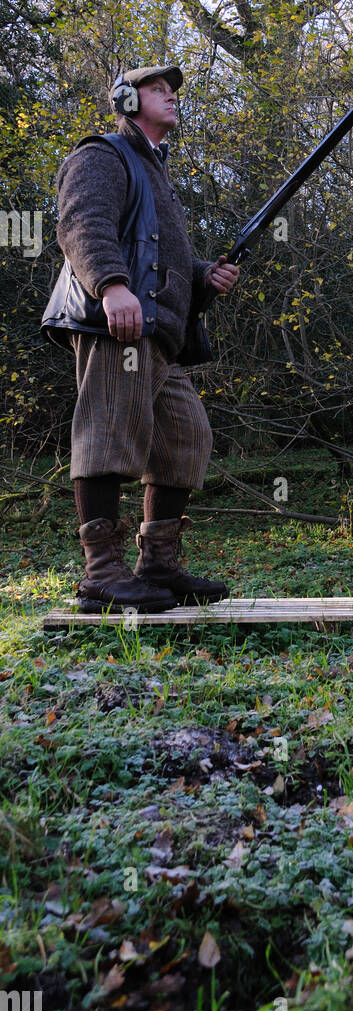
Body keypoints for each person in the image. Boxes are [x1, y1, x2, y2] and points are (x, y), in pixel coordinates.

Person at [41, 64, 240, 612]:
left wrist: (204, 275)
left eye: (173, 92)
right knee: (108, 435)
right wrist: (111, 285)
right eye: (159, 90)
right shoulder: (103, 154)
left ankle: (158, 565)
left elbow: (162, 255)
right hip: (118, 323)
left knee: (185, 439)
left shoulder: (157, 171)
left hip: (159, 336)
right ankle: (102, 573)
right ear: (128, 99)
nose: (172, 98)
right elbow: (81, 222)